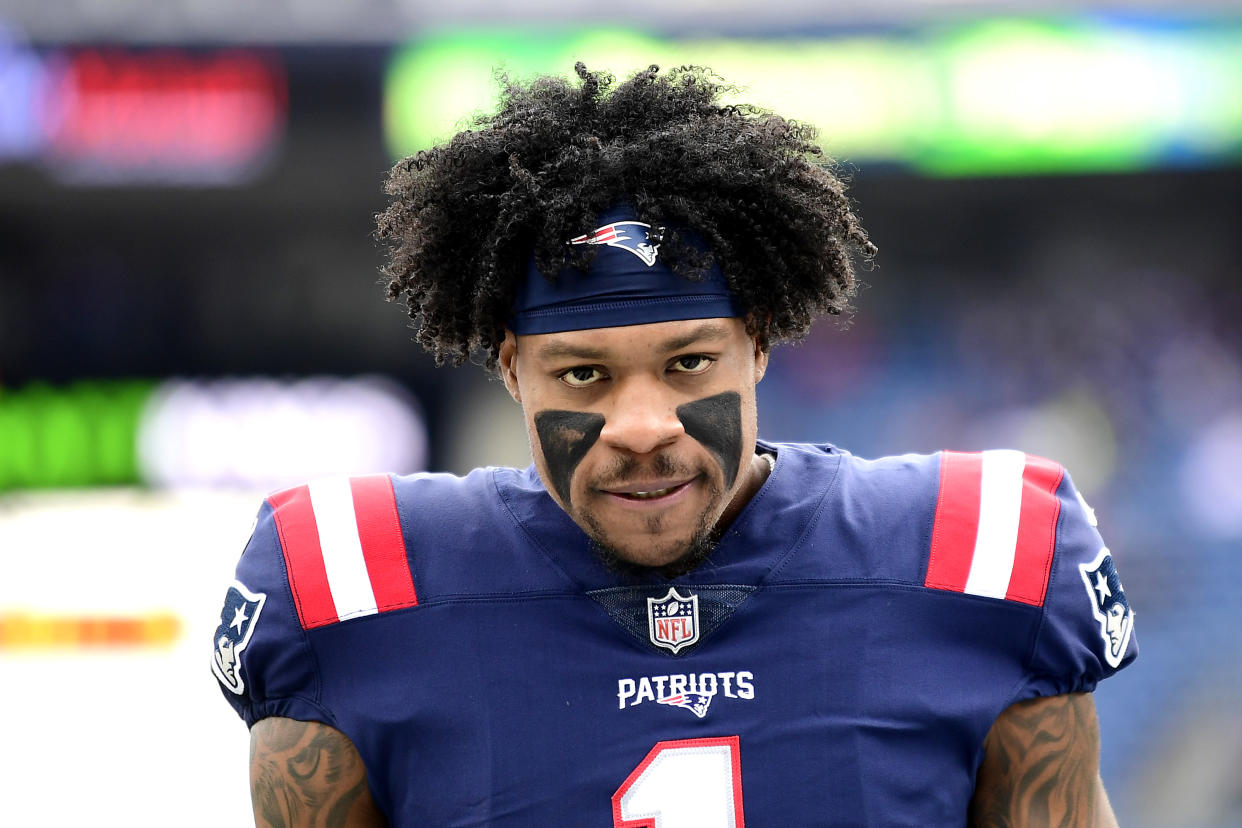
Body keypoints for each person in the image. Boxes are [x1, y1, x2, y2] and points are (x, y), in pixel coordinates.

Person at [212, 63, 1137, 826]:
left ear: (759, 345)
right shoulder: (344, 583)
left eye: (690, 363)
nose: (643, 426)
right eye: (583, 375)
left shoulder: (982, 554)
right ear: (509, 369)